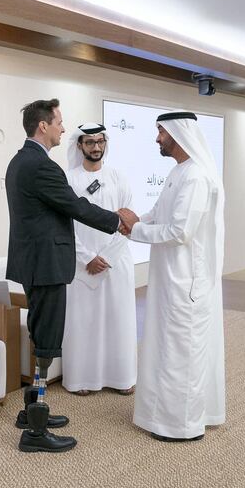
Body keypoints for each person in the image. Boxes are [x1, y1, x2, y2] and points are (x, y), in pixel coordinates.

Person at [5, 99, 125, 453]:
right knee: (46, 341)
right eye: (58, 121)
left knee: (42, 334)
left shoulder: (22, 160)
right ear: (42, 125)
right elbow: (73, 205)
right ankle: (36, 432)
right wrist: (116, 220)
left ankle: (31, 412)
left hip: (36, 261)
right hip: (45, 264)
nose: (62, 127)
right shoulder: (40, 165)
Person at [117, 111, 225, 442]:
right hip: (170, 279)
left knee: (183, 352)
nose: (157, 138)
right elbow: (160, 214)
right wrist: (135, 220)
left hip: (185, 282)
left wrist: (135, 230)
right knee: (168, 348)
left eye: (161, 132)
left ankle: (183, 426)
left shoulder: (195, 177)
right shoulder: (180, 172)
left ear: (178, 134)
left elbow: (180, 231)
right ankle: (164, 416)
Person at [62, 123, 137, 397]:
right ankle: (83, 379)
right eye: (89, 142)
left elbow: (128, 221)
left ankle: (122, 378)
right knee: (84, 322)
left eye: (100, 141)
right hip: (83, 265)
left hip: (116, 262)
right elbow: (64, 225)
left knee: (119, 320)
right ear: (79, 145)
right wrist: (87, 258)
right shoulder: (68, 179)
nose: (96, 147)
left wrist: (106, 256)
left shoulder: (118, 177)